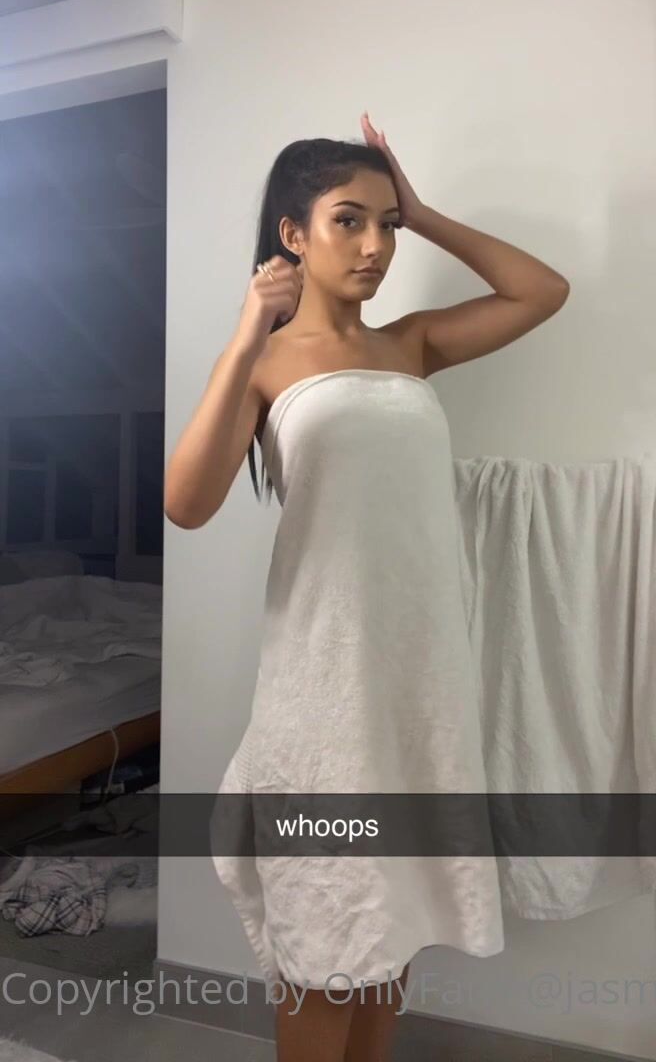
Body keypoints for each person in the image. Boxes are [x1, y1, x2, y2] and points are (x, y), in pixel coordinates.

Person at [164, 113, 569, 1061]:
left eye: (387, 225)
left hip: (419, 690)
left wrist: (423, 210)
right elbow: (186, 504)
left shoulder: (410, 346)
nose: (376, 246)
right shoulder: (263, 364)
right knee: (325, 934)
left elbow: (541, 291)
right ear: (293, 235)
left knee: (392, 927)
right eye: (349, 220)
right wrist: (247, 334)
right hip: (325, 698)